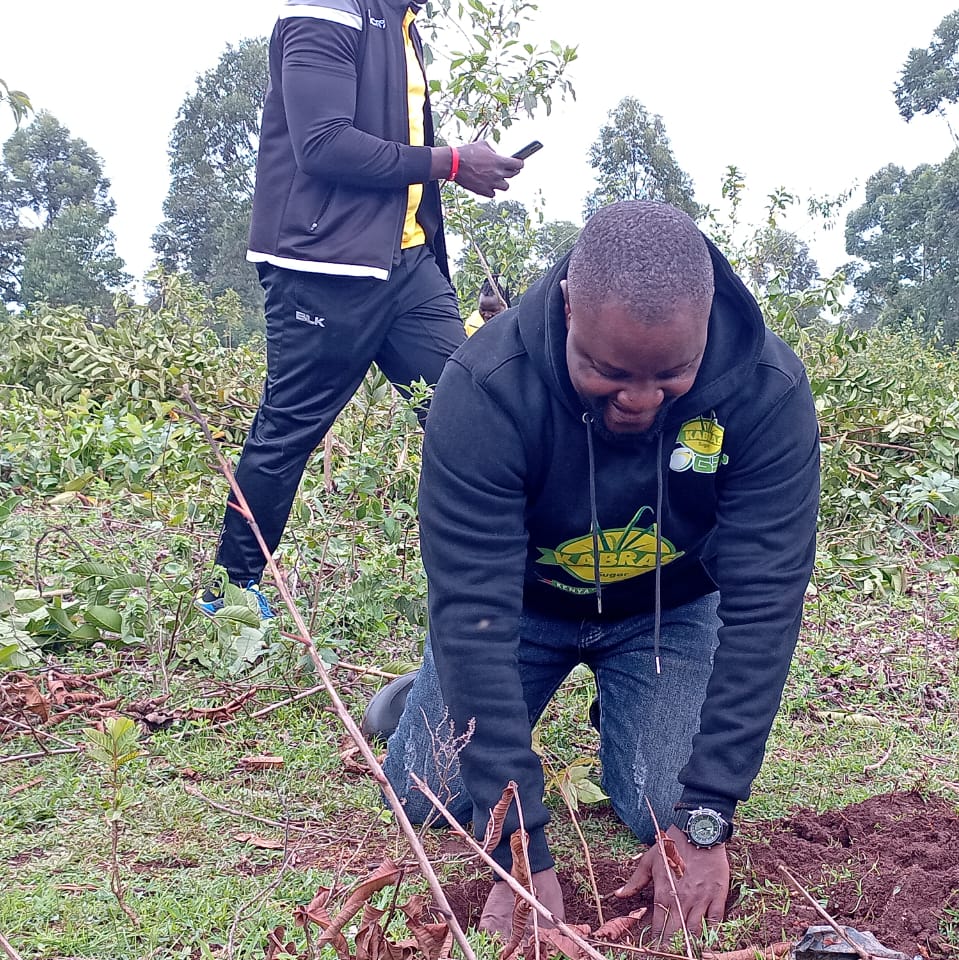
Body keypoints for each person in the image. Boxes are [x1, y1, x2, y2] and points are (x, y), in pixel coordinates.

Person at [375, 200, 820, 941]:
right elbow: (472, 610)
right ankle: (410, 701)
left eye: (671, 374)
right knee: (432, 791)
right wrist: (522, 848)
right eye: (607, 372)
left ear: (707, 325)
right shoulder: (488, 386)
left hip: (666, 614)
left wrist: (705, 822)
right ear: (568, 305)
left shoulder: (766, 392)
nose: (639, 402)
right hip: (522, 611)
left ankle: (625, 699)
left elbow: (766, 606)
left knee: (659, 806)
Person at [199, 0, 524, 615]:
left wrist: (444, 184)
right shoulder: (327, 12)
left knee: (474, 408)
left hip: (408, 266)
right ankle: (231, 591)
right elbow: (321, 144)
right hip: (324, 270)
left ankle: (507, 582)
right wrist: (452, 162)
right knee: (289, 431)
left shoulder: (403, 25)